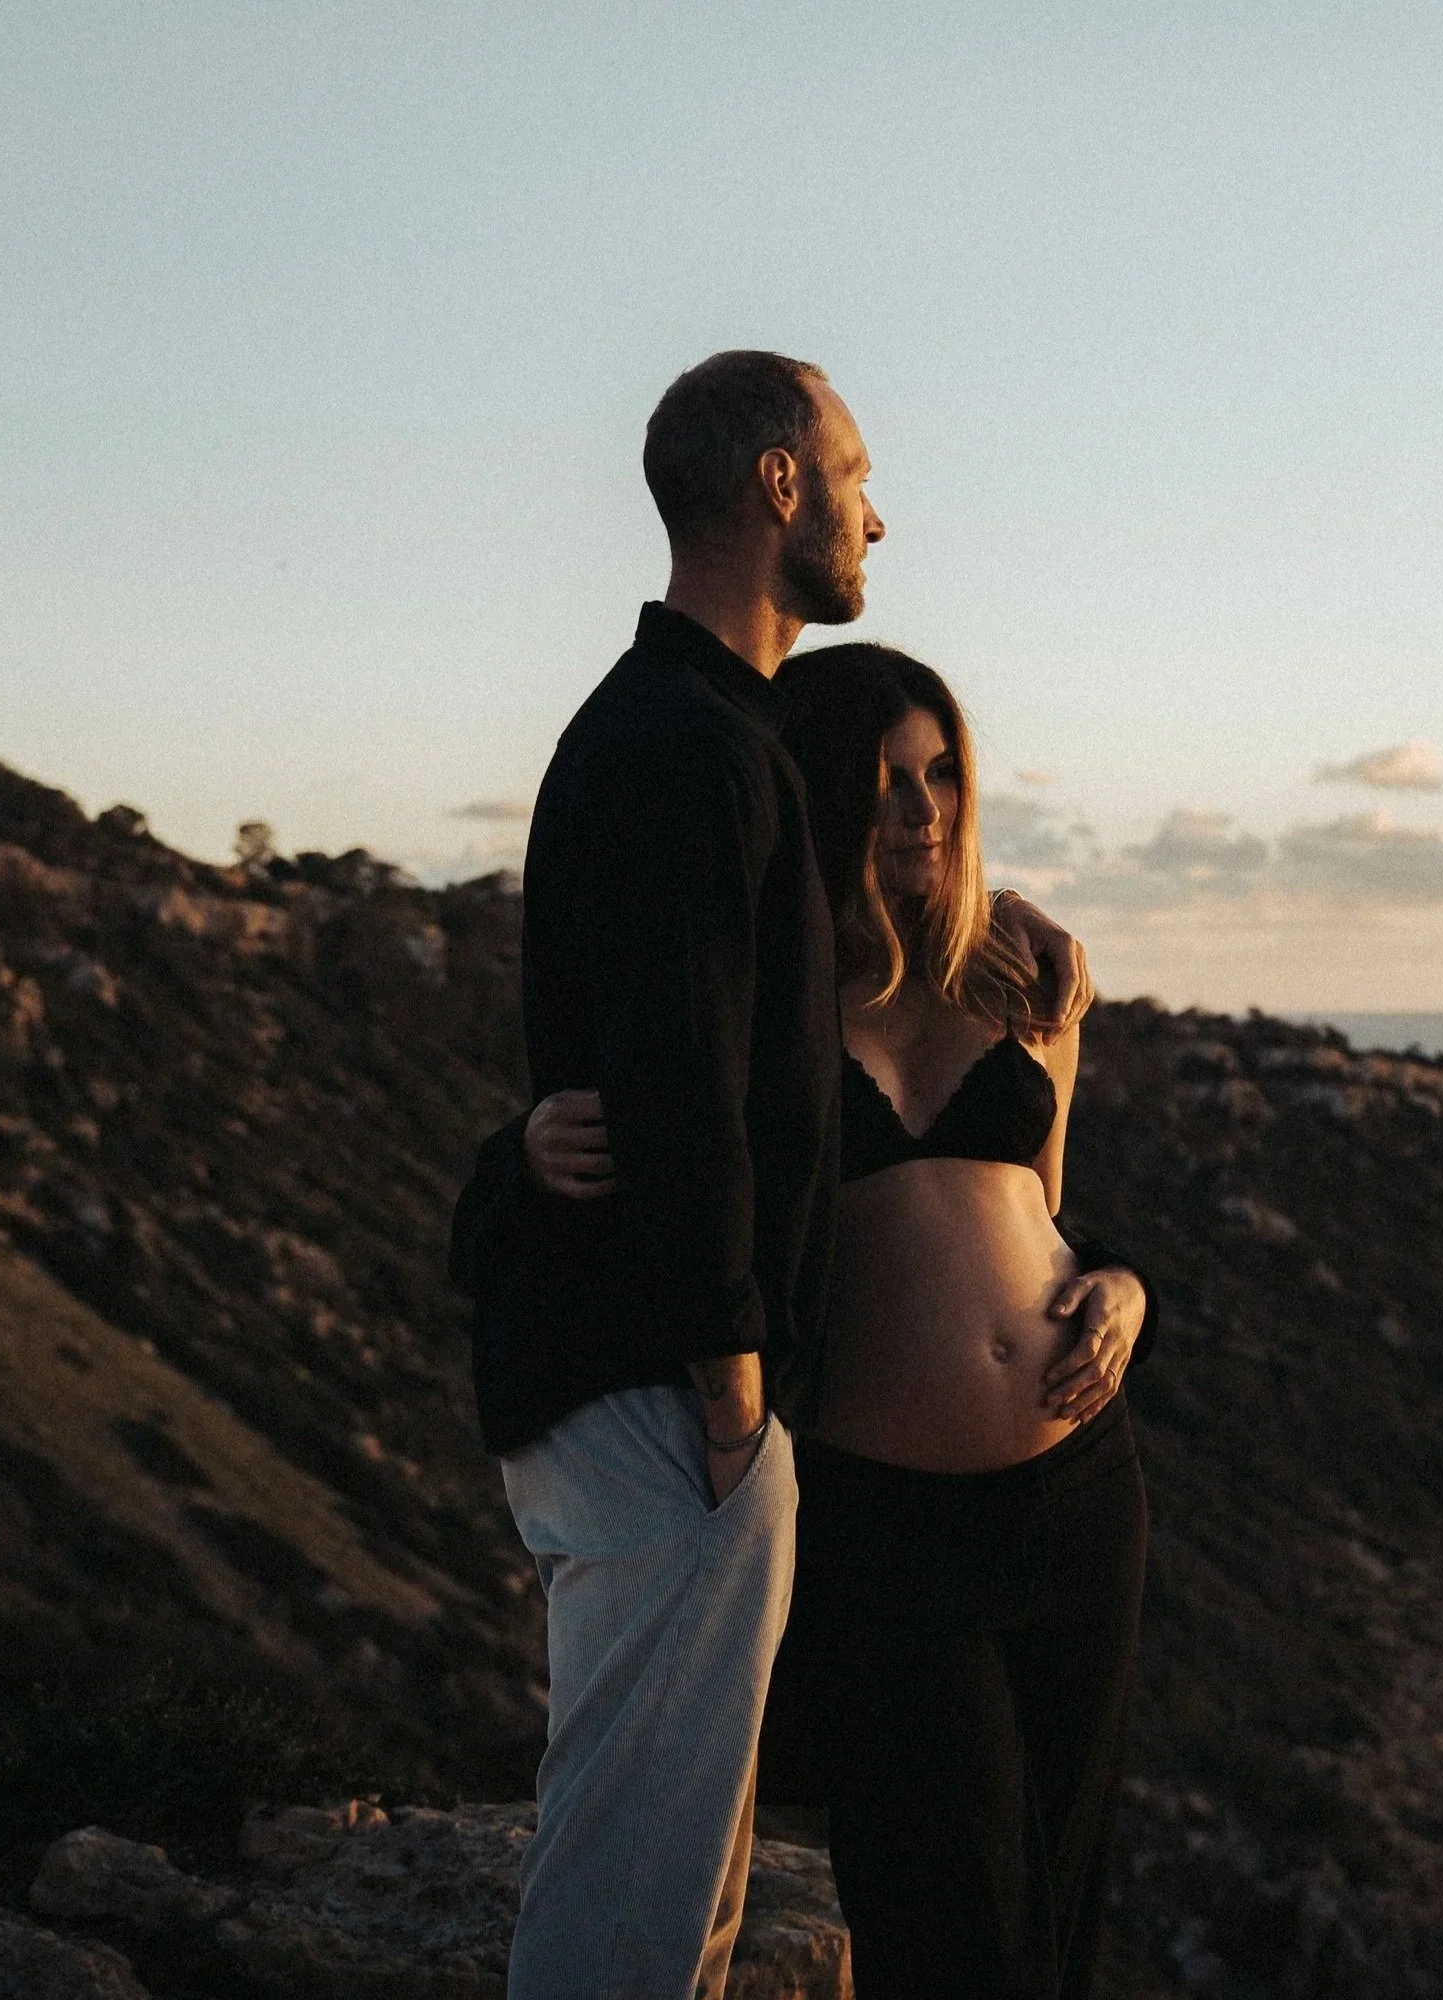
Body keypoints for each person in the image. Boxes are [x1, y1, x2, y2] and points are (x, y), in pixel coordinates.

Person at [462, 350, 1099, 2000]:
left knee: (689, 1879)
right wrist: (739, 1396)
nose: (878, 510)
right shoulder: (690, 744)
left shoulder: (691, 732)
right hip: (684, 1402)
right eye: (857, 469)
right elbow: (685, 1093)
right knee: (639, 1882)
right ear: (776, 486)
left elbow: (643, 1066)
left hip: (710, 1402)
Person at [528, 642, 1154, 1999]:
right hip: (885, 1524)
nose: (922, 806)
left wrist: (1125, 1286)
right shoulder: (772, 994)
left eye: (943, 774)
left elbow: (1040, 1217)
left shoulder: (1026, 983)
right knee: (951, 1924)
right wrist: (522, 1148)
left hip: (1077, 1498)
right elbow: (670, 1132)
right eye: (885, 780)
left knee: (1059, 1904)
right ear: (818, 792)